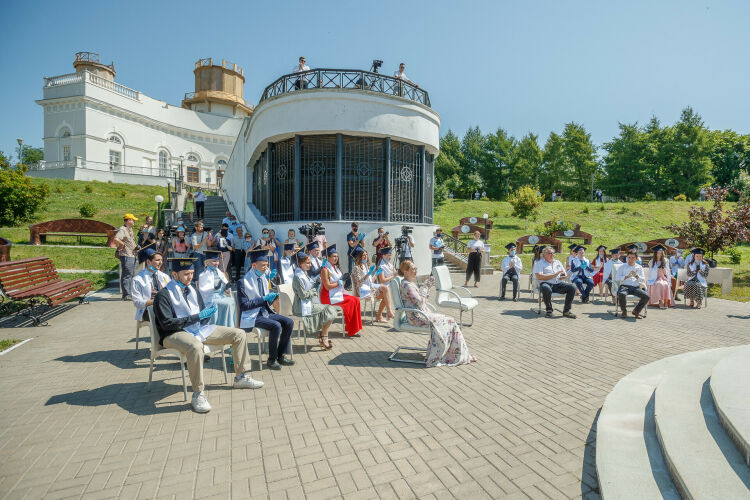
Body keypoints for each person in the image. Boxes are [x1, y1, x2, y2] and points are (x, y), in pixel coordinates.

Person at [154, 257, 263, 413]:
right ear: (174, 274)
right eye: (186, 274)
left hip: (198, 329)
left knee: (238, 334)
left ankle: (241, 377)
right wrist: (197, 317)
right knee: (195, 346)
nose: (190, 277)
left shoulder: (193, 290)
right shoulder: (164, 295)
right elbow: (167, 324)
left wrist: (207, 315)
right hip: (174, 334)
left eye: (192, 273)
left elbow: (201, 315)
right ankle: (198, 393)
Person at [398, 261, 475, 367]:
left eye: (416, 268)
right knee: (449, 321)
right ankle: (448, 355)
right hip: (416, 317)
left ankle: (454, 354)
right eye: (413, 269)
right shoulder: (406, 285)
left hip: (421, 314)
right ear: (405, 272)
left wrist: (426, 288)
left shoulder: (409, 283)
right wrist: (426, 287)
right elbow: (419, 302)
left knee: (450, 320)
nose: (415, 271)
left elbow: (420, 301)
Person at [238, 249, 295, 370]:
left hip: (265, 312)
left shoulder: (263, 278)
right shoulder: (243, 282)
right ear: (254, 265)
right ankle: (272, 359)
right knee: (276, 326)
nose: (266, 268)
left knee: (289, 322)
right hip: (252, 315)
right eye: (263, 265)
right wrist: (263, 299)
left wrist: (271, 298)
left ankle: (280, 355)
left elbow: (266, 301)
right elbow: (244, 306)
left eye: (267, 265)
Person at [292, 252, 337, 350]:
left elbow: (309, 287)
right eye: (308, 263)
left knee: (331, 310)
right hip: (300, 306)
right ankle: (324, 336)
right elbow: (303, 295)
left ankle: (323, 335)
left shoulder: (303, 273)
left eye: (310, 263)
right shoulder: (298, 276)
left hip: (309, 302)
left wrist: (316, 284)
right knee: (329, 310)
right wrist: (314, 289)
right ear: (300, 264)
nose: (310, 265)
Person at [320, 245, 362, 337]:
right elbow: (327, 287)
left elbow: (341, 280)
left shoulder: (336, 268)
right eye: (333, 256)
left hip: (336, 293)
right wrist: (338, 283)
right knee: (351, 301)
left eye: (337, 256)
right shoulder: (325, 270)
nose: (336, 258)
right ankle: (351, 330)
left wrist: (343, 281)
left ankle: (352, 328)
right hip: (328, 296)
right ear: (328, 258)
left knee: (356, 299)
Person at [351, 247, 392, 322]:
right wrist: (368, 274)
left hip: (369, 287)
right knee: (386, 292)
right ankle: (382, 314)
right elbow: (358, 283)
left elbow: (370, 281)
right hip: (362, 289)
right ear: (359, 257)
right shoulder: (356, 268)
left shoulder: (366, 266)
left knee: (386, 292)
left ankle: (382, 314)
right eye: (363, 255)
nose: (366, 256)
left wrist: (376, 274)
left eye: (366, 254)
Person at [534, 247, 577, 318]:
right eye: (550, 253)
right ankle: (549, 310)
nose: (552, 255)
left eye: (553, 253)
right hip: (546, 283)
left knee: (572, 287)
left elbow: (564, 274)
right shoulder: (539, 263)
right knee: (545, 288)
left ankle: (566, 311)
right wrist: (553, 275)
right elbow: (539, 276)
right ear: (544, 255)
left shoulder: (558, 262)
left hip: (558, 284)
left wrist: (564, 276)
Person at [197, 250, 236, 326]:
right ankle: (220, 325)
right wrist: (214, 288)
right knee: (226, 304)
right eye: (214, 261)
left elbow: (225, 288)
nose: (217, 263)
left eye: (217, 261)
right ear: (207, 262)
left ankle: (229, 326)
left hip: (221, 296)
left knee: (232, 302)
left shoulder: (220, 273)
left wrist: (227, 287)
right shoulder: (203, 275)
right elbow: (204, 291)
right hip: (211, 298)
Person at [131, 248, 170, 322]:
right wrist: (156, 301)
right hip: (148, 310)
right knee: (163, 316)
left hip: (165, 308)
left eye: (161, 260)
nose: (161, 263)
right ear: (148, 262)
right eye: (157, 260)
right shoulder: (138, 279)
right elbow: (137, 302)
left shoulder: (165, 277)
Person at [615, 250, 649, 319]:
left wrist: (636, 276)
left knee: (646, 296)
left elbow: (643, 279)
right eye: (629, 257)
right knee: (621, 294)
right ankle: (624, 311)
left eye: (633, 258)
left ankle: (636, 311)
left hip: (635, 287)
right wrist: (626, 276)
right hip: (625, 286)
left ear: (636, 259)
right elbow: (617, 278)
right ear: (627, 258)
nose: (630, 259)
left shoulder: (639, 267)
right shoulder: (622, 266)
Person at [114, 213, 138, 301]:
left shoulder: (130, 229)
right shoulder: (122, 229)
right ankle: (126, 295)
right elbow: (116, 238)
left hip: (132, 254)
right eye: (133, 220)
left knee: (131, 274)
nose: (134, 221)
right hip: (126, 255)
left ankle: (130, 293)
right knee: (127, 275)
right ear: (128, 220)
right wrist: (122, 244)